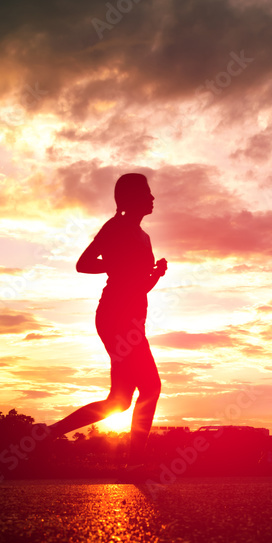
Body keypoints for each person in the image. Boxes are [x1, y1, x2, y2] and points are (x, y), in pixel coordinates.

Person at [49, 173, 167, 468]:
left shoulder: (145, 237)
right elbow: (83, 264)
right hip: (116, 317)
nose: (153, 199)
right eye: (147, 194)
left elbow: (139, 285)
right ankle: (136, 463)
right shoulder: (115, 227)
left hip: (134, 318)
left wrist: (155, 275)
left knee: (120, 400)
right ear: (131, 199)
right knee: (151, 387)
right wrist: (117, 263)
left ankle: (44, 435)